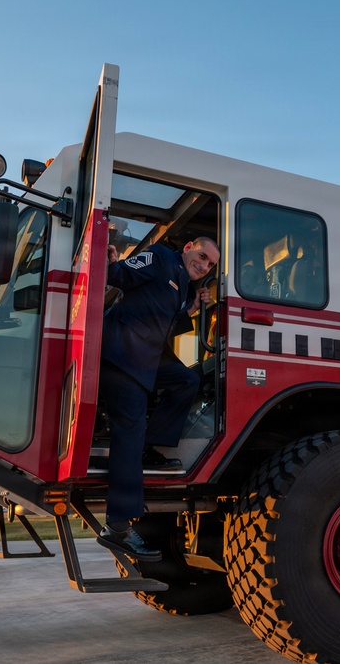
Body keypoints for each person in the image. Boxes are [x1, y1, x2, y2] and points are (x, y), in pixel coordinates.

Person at [96, 236, 219, 561]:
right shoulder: (161, 257)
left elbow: (162, 323)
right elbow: (119, 276)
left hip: (145, 358)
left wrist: (191, 308)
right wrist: (110, 261)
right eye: (203, 256)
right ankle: (118, 527)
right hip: (123, 356)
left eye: (210, 264)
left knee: (187, 379)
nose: (204, 266)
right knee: (129, 433)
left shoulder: (180, 284)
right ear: (189, 246)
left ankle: (151, 447)